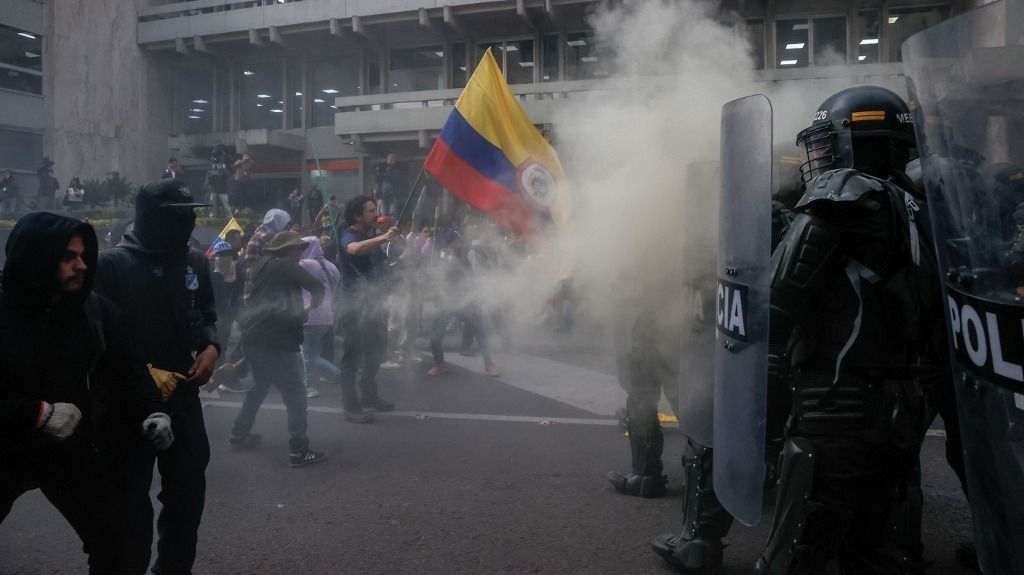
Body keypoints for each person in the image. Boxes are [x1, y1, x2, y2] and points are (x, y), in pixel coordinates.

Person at [754, 86, 943, 574]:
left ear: (858, 140)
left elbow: (776, 297)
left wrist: (766, 405)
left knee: (797, 554)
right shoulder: (922, 207)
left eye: (824, 142)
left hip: (834, 405)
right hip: (900, 407)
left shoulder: (844, 197)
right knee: (873, 552)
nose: (816, 157)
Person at [1, 212, 173, 573]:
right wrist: (35, 413)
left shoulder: (91, 310)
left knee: (118, 542)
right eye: (67, 257)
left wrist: (153, 411)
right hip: (4, 447)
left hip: (67, 450)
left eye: (83, 255)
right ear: (35, 256)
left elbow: (129, 371)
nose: (81, 265)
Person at [94, 178, 220, 575]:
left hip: (183, 398)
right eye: (180, 215)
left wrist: (212, 347)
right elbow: (93, 340)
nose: (190, 221)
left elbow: (205, 317)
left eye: (192, 213)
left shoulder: (195, 262)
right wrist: (142, 373)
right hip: (126, 406)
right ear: (151, 217)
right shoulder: (109, 267)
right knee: (128, 508)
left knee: (186, 499)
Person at [232, 231, 326, 467]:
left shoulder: (261, 264)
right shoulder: (285, 265)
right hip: (277, 340)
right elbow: (316, 286)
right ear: (288, 250)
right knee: (295, 395)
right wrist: (311, 306)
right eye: (298, 249)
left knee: (259, 388)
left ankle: (238, 434)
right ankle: (298, 450)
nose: (301, 253)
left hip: (254, 337)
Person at [337, 195, 400, 423]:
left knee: (376, 354)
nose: (376, 214)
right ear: (357, 215)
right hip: (353, 306)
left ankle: (369, 396)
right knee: (352, 357)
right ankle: (350, 407)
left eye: (376, 209)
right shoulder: (349, 235)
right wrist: (384, 237)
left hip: (373, 306)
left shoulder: (370, 236)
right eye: (371, 211)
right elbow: (353, 250)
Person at [426, 230, 499, 377]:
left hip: (466, 300)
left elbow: (474, 279)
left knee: (479, 331)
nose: (458, 243)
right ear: (449, 244)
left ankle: (488, 363)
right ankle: (439, 364)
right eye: (455, 241)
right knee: (435, 337)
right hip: (448, 302)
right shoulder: (441, 259)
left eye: (458, 240)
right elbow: (437, 281)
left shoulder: (467, 256)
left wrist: (476, 299)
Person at [299, 235, 341, 399]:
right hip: (328, 315)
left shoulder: (306, 265)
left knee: (309, 356)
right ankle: (308, 384)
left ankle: (339, 375)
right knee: (310, 354)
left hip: (311, 314)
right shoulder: (331, 266)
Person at [208, 144, 232, 216]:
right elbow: (209, 175)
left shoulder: (224, 163)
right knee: (213, 202)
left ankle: (229, 217)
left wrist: (221, 171)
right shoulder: (212, 165)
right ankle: (212, 216)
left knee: (225, 203)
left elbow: (227, 174)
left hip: (222, 187)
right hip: (214, 187)